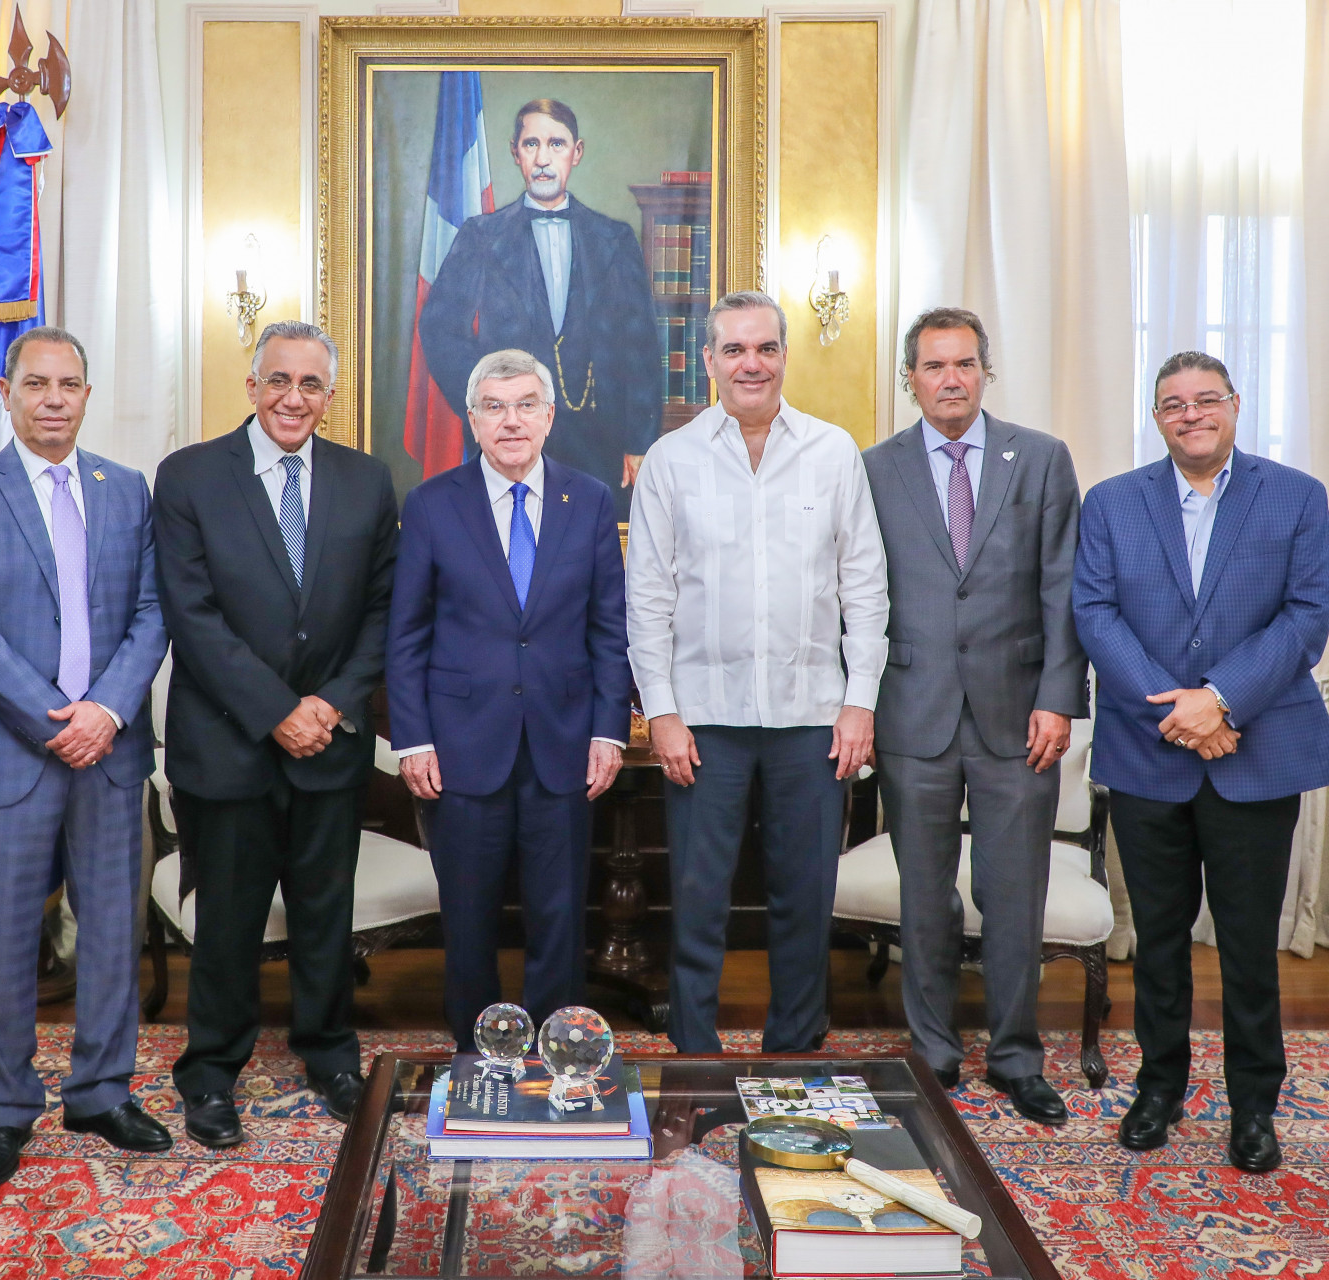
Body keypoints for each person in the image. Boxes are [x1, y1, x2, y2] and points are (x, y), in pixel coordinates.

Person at [1074, 350, 1329, 1173]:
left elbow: (1307, 615)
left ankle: (1254, 1106)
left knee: (1248, 944)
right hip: (1147, 753)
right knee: (1157, 941)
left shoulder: (1295, 495)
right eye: (1172, 404)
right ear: (1156, 417)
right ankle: (1158, 1089)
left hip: (1256, 752)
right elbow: (1095, 613)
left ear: (1234, 404)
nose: (1190, 414)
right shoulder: (1112, 502)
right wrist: (1180, 712)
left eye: (1205, 399)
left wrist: (1220, 701)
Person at [0, 327, 172, 1189]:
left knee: (111, 930)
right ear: (7, 392)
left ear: (87, 394)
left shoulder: (127, 489)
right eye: (36, 384)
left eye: (69, 384)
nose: (54, 399)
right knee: (2, 937)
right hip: (10, 751)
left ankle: (102, 1092)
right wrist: (57, 721)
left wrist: (105, 712)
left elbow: (153, 611)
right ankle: (4, 1107)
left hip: (110, 749)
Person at [152, 321, 399, 1147]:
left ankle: (329, 1055)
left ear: (329, 395)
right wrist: (277, 711)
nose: (295, 397)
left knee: (326, 917)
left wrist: (329, 703)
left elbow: (382, 609)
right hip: (227, 745)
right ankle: (210, 1073)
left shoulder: (366, 480)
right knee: (227, 922)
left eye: (311, 384)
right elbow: (192, 616)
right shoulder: (189, 476)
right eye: (280, 380)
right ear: (253, 386)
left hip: (331, 741)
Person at [627, 291, 889, 1054]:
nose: (752, 363)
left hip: (813, 717)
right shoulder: (672, 459)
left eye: (766, 348)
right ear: (709, 362)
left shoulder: (833, 452)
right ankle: (695, 1054)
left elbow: (865, 588)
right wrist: (661, 711)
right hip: (703, 720)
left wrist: (860, 703)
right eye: (735, 350)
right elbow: (648, 597)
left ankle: (795, 1051)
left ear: (784, 356)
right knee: (699, 898)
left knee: (804, 897)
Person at [862, 308, 1086, 1120]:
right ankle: (934, 1052)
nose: (950, 379)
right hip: (911, 713)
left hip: (1018, 716)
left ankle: (1017, 1057)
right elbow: (858, 592)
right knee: (924, 897)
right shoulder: (874, 469)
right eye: (933, 366)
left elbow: (1065, 587)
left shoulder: (1042, 459)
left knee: (1013, 893)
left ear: (986, 371)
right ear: (910, 380)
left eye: (963, 364)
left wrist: (1059, 697)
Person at [386, 348, 631, 1048]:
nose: (511, 421)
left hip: (565, 743)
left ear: (550, 416)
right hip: (461, 746)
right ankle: (476, 1056)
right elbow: (407, 634)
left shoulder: (589, 500)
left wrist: (608, 731)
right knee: (468, 917)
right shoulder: (432, 504)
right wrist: (413, 739)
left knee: (560, 916)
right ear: (473, 420)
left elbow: (609, 629)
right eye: (494, 407)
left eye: (526, 405)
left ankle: (558, 1053)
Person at [419, 98, 661, 514]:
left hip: (599, 440)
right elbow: (439, 330)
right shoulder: (480, 236)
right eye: (531, 144)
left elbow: (640, 346)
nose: (544, 159)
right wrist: (490, 404)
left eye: (556, 144)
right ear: (515, 153)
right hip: (510, 436)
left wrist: (639, 441)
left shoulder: (615, 238)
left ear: (576, 152)